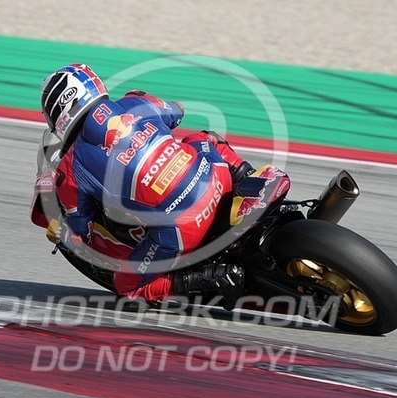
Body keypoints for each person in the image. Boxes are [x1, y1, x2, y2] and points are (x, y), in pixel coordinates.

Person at [30, 63, 259, 310]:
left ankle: (211, 278)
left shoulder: (69, 169)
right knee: (201, 139)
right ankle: (249, 178)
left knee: (127, 287)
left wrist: (62, 233)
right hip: (217, 179)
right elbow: (177, 111)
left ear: (57, 111)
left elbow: (80, 232)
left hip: (184, 227)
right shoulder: (135, 101)